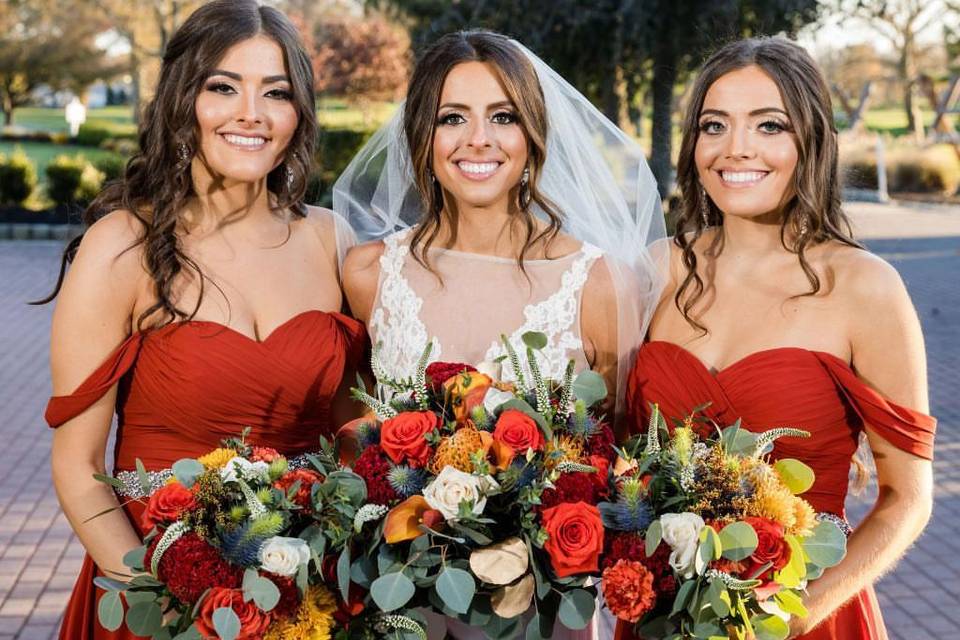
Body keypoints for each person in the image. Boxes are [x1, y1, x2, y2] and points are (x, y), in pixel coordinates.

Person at [40, 2, 364, 638]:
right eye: (223, 87)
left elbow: (351, 429)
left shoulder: (331, 238)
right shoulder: (123, 245)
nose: (251, 113)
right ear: (182, 99)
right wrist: (160, 600)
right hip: (157, 589)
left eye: (276, 92)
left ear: (298, 113)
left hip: (305, 592)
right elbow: (76, 467)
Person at [336, 30, 665, 639]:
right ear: (421, 136)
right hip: (402, 606)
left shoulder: (596, 283)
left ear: (533, 136)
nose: (477, 139)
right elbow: (352, 435)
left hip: (536, 613)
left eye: (503, 116)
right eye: (452, 117)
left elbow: (617, 452)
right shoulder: (367, 273)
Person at [619, 37, 935, 640]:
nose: (736, 148)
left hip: (801, 619)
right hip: (665, 619)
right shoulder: (655, 270)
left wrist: (783, 622)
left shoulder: (866, 288)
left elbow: (908, 499)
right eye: (715, 125)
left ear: (809, 142)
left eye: (769, 125)